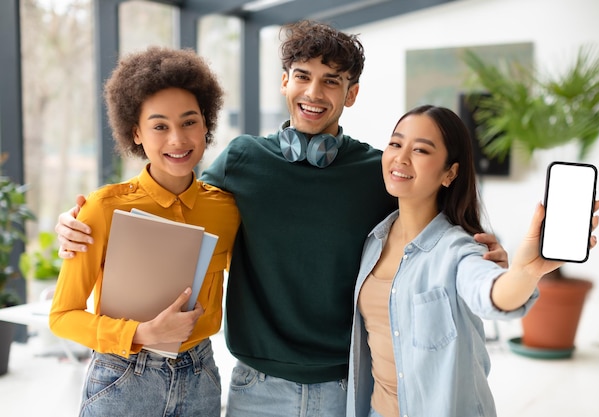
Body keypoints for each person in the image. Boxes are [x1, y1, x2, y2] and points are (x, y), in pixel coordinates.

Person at [54, 21, 508, 417]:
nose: (314, 93)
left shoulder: (379, 173)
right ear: (284, 83)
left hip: (344, 385)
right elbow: (175, 198)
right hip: (256, 386)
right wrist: (76, 224)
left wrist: (480, 252)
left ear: (351, 94)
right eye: (303, 77)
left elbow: (429, 229)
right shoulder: (241, 160)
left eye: (332, 81)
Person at [346, 105, 599, 417]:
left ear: (450, 173)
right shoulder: (373, 240)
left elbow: (491, 292)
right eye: (396, 144)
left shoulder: (459, 249)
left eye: (421, 150)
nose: (401, 158)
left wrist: (525, 271)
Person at [48, 46, 240, 417]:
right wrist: (142, 334)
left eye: (189, 122)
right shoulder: (103, 209)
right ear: (136, 133)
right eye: (159, 126)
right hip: (124, 378)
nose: (177, 140)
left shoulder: (227, 209)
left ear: (206, 124)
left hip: (201, 376)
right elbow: (62, 315)